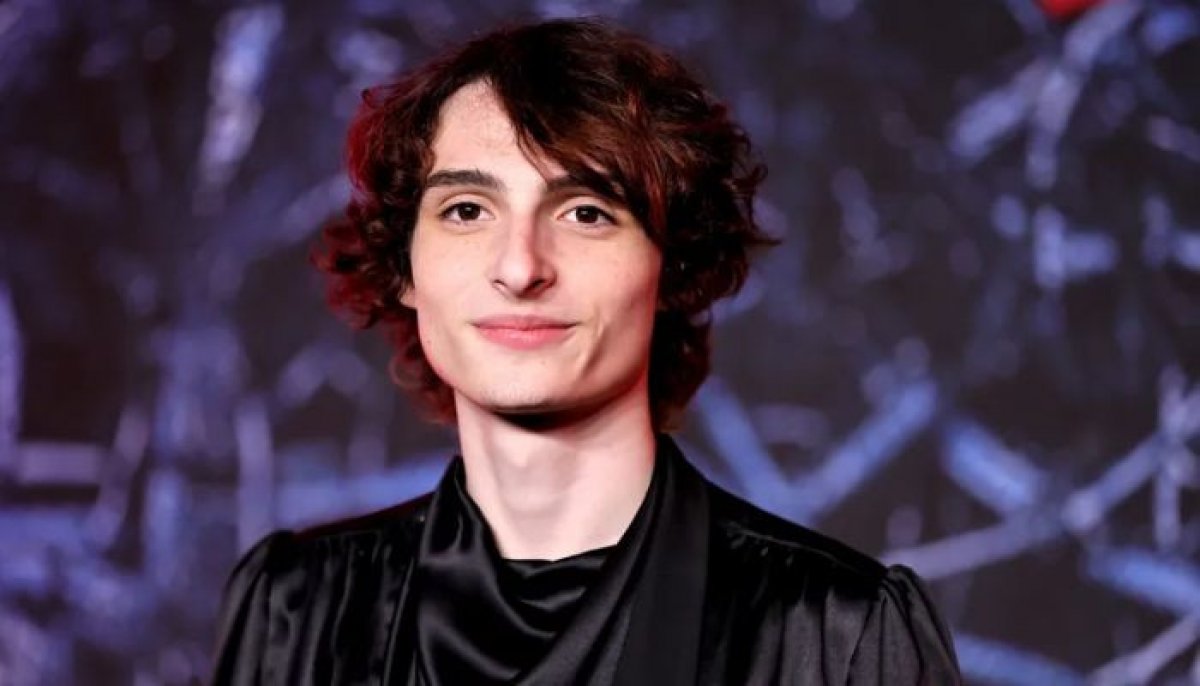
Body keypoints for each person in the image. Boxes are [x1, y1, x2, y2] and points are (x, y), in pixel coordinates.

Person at [211, 17, 962, 685]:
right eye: (467, 210)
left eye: (586, 212)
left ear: (673, 263)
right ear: (406, 267)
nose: (520, 267)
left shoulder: (835, 636)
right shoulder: (296, 613)